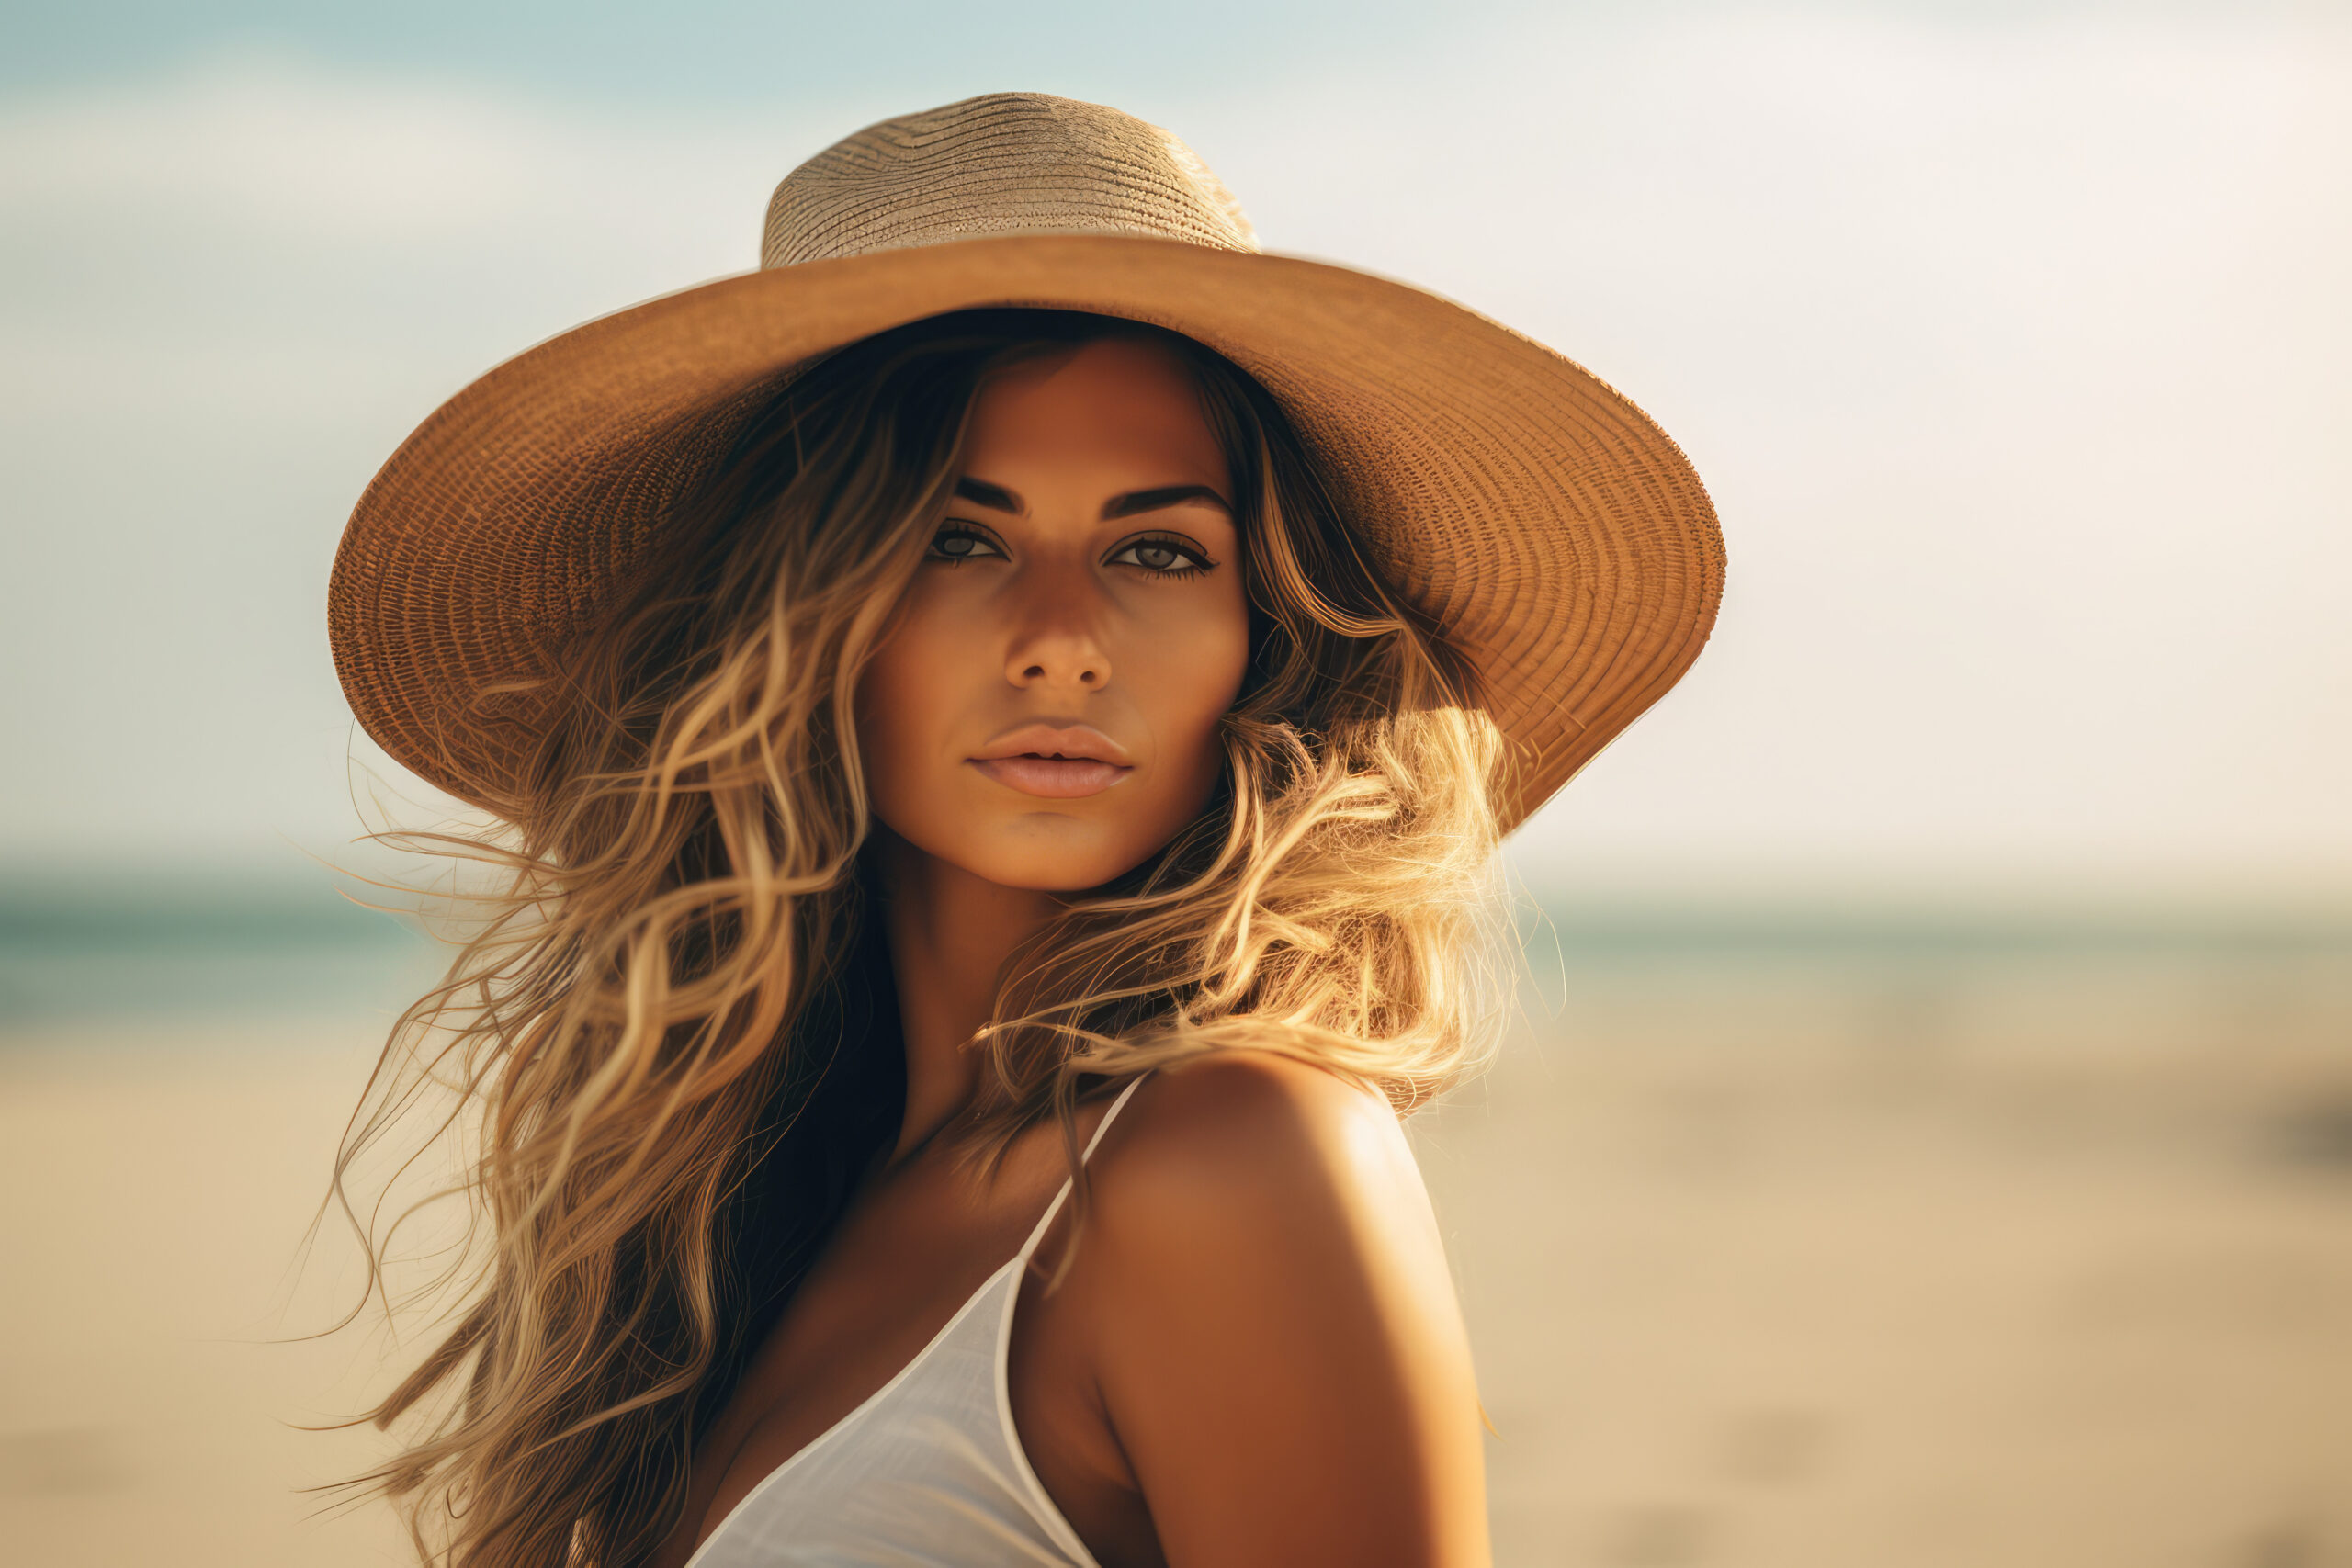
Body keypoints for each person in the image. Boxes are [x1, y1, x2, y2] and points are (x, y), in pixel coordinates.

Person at [325, 93, 1722, 1568]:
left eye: (1159, 549)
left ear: (1266, 637)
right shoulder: (756, 1226)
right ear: (799, 621)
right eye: (957, 537)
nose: (1063, 642)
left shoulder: (1231, 1157)